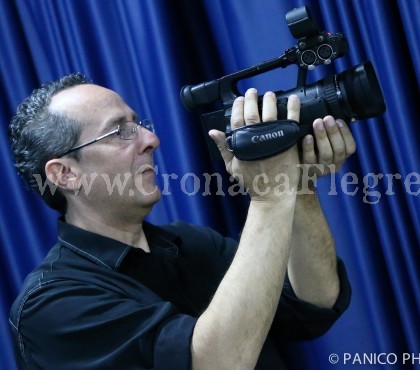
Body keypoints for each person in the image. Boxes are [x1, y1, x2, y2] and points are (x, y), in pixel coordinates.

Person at [8, 73, 355, 369]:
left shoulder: (189, 243)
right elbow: (216, 362)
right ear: (65, 174)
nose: (151, 140)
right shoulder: (50, 304)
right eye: (119, 131)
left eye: (139, 124)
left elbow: (316, 302)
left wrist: (297, 186)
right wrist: (269, 199)